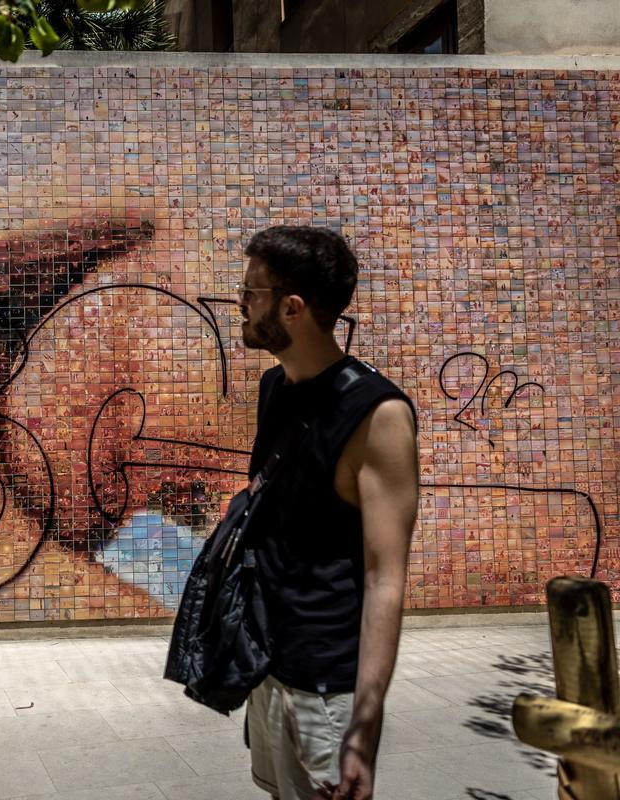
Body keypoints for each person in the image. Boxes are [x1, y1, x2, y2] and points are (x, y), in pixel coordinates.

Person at [236, 226, 419, 800]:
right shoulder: (275, 387)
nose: (239, 304)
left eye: (250, 293)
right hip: (270, 669)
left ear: (291, 308)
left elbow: (384, 577)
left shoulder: (378, 414)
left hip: (327, 691)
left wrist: (363, 728)